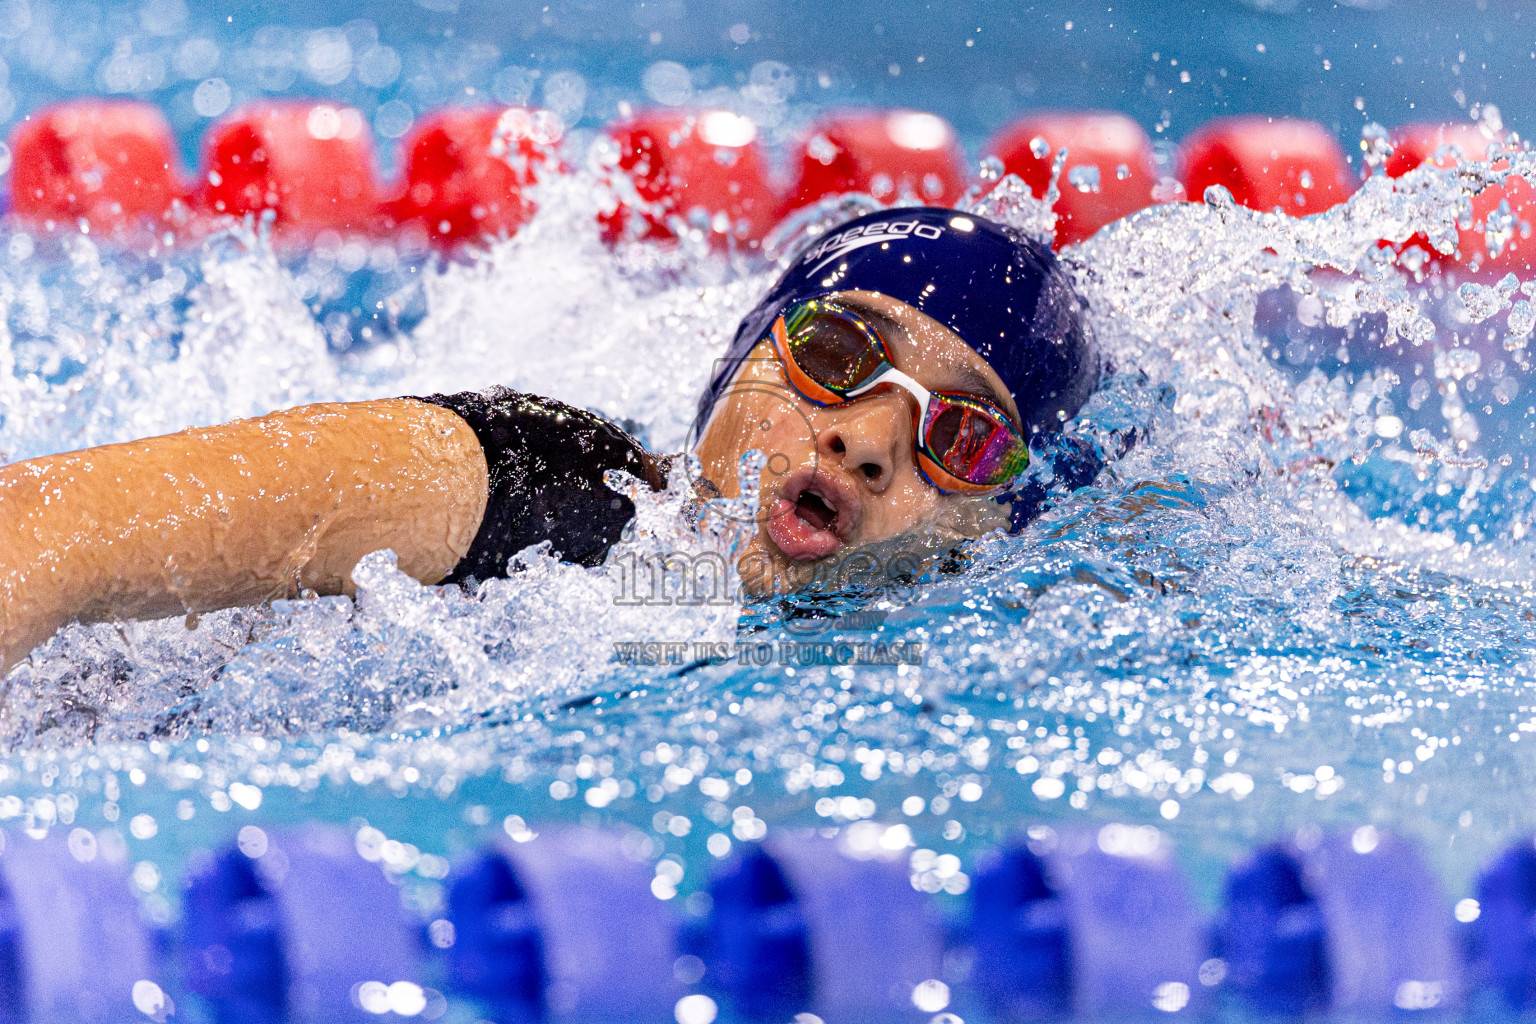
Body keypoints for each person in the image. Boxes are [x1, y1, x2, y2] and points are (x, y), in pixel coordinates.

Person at [0, 207, 1099, 674]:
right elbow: (32, 528)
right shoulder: (531, 479)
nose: (867, 438)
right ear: (744, 357)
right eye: (843, 351)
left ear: (984, 520)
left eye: (959, 434)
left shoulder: (884, 670)